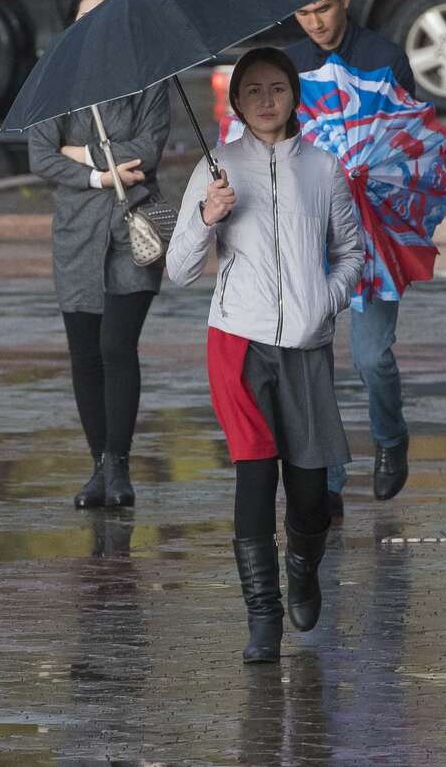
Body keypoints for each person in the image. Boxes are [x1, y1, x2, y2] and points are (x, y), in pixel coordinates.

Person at [165, 47, 365, 663]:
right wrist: (206, 216)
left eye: (277, 88)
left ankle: (303, 568)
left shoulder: (324, 170)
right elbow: (177, 269)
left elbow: (353, 253)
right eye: (253, 91)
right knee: (255, 475)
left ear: (294, 97)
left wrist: (325, 300)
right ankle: (262, 618)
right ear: (237, 101)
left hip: (305, 347)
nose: (267, 100)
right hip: (237, 341)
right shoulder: (218, 167)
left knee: (308, 490)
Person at [282, 0, 418, 517]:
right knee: (311, 357)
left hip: (379, 229)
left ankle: (390, 441)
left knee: (369, 357)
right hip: (310, 229)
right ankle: (329, 480)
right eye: (302, 12)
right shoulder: (286, 67)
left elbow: (415, 139)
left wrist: (382, 175)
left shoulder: (385, 59)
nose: (315, 22)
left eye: (322, 8)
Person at [28, 0, 172, 509]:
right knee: (85, 353)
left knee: (116, 346)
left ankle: (121, 463)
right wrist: (100, 174)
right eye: (87, 17)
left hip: (135, 225)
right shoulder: (55, 79)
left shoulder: (150, 77)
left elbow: (149, 149)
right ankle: (98, 467)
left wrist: (79, 152)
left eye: (107, 15)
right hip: (76, 230)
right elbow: (40, 157)